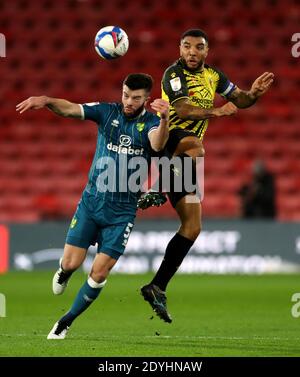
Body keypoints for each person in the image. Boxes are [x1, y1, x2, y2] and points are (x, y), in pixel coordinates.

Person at [16, 73, 170, 339]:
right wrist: (46, 100)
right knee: (71, 262)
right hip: (92, 202)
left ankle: (65, 322)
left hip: (122, 212)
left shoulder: (152, 123)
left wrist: (166, 117)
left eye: (135, 97)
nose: (128, 101)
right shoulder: (107, 112)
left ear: (146, 98)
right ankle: (64, 272)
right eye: (125, 95)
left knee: (99, 272)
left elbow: (158, 143)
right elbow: (70, 108)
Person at [138, 29, 274, 323]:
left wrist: (252, 95)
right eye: (186, 46)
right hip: (165, 139)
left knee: (192, 227)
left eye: (198, 48)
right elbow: (183, 109)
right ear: (180, 48)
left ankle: (157, 286)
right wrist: (218, 112)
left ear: (206, 52)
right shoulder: (173, 74)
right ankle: (158, 187)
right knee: (197, 146)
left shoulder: (214, 76)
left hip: (184, 159)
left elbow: (239, 99)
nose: (191, 52)